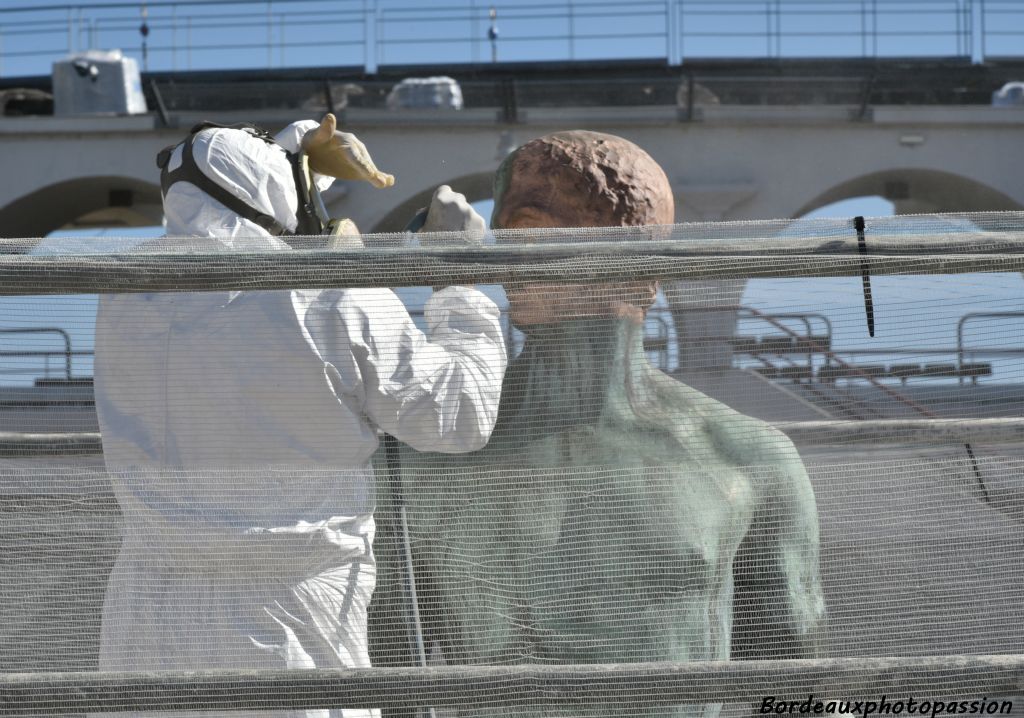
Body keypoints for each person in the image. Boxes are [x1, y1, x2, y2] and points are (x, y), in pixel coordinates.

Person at [397, 131, 825, 718]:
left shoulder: (748, 457)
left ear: (648, 269)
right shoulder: (416, 457)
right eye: (514, 236)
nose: (514, 259)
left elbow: (789, 679)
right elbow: (380, 669)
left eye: (530, 235)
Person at [93, 114, 506, 718]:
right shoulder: (333, 298)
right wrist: (459, 280)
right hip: (289, 628)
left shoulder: (124, 294)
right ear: (274, 190)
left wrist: (299, 152)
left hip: (144, 624)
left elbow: (226, 214)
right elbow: (459, 414)